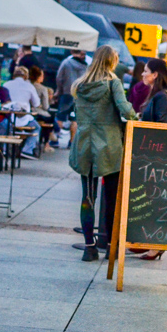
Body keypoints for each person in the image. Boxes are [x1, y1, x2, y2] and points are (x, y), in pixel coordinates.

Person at [69, 46, 138, 261]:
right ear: (112, 62)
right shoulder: (112, 83)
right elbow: (125, 109)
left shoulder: (79, 85)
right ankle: (110, 247)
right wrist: (135, 117)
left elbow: (77, 113)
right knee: (111, 197)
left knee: (88, 197)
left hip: (84, 145)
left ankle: (89, 248)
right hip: (109, 146)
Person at [3, 66, 42, 158]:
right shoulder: (29, 86)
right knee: (37, 128)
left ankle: (5, 148)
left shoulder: (6, 84)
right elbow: (36, 103)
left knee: (5, 128)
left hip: (9, 117)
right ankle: (27, 150)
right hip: (24, 117)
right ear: (26, 76)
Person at [55, 49, 87, 140]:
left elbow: (59, 77)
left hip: (67, 93)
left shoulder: (66, 63)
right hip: (79, 95)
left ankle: (56, 138)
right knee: (74, 119)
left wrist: (59, 90)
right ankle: (72, 141)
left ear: (72, 52)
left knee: (60, 117)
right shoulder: (85, 66)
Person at [140, 58, 167, 124]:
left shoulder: (162, 96)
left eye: (145, 71)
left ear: (155, 75)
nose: (142, 74)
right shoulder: (160, 94)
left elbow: (162, 125)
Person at [29, 65, 57, 149]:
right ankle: (46, 142)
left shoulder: (27, 85)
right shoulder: (43, 89)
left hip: (27, 112)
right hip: (38, 113)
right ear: (39, 77)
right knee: (50, 118)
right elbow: (45, 107)